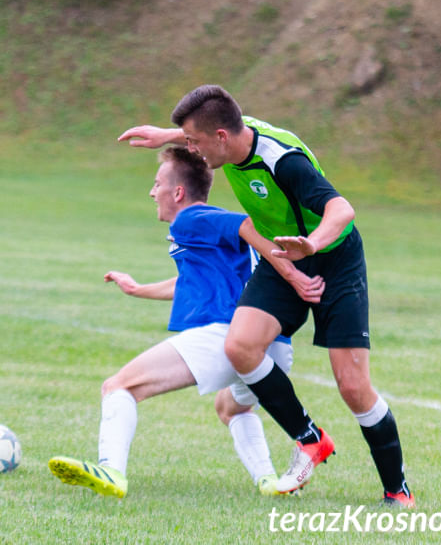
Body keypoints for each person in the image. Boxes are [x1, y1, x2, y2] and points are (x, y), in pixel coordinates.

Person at [118, 84, 414, 507]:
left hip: (333, 256)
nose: (193, 152)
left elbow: (342, 210)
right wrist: (164, 135)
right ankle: (310, 438)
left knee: (353, 385)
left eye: (196, 142)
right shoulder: (233, 137)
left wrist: (311, 246)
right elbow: (212, 130)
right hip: (282, 255)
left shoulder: (282, 161)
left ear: (221, 138)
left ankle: (397, 490)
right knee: (240, 346)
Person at [48, 146, 305, 498]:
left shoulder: (191, 219)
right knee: (230, 406)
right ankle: (269, 482)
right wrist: (138, 289)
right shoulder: (201, 235)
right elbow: (191, 284)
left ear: (178, 192)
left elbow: (240, 223)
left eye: (157, 184)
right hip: (274, 347)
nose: (153, 192)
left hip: (227, 335)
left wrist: (285, 265)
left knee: (118, 386)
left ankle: (111, 471)